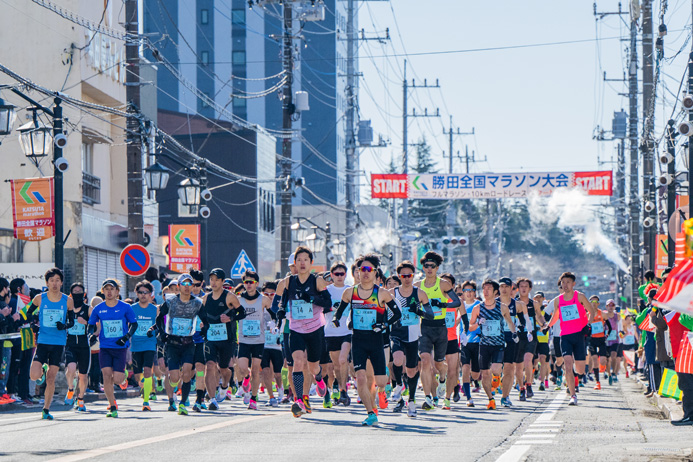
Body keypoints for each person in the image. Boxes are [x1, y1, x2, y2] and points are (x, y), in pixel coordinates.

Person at [333, 253, 402, 426]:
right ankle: (370, 413)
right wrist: (338, 320)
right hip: (358, 341)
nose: (365, 273)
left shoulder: (383, 294)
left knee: (379, 381)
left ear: (375, 272)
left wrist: (384, 325)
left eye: (369, 269)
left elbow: (397, 314)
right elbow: (340, 311)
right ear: (357, 272)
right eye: (361, 269)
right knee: (361, 378)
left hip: (376, 341)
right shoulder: (350, 292)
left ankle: (383, 388)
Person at [275, 246, 333, 418]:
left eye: (305, 260)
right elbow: (283, 300)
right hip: (296, 329)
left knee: (313, 366)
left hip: (315, 329)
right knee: (298, 361)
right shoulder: (289, 281)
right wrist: (280, 311)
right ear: (295, 263)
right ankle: (299, 399)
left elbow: (327, 303)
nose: (302, 263)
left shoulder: (317, 281)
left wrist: (313, 298)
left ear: (311, 263)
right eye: (299, 260)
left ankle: (319, 378)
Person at [24, 268, 75, 420]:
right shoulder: (39, 298)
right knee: (33, 376)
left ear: (61, 282)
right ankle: (42, 367)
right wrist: (33, 324)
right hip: (43, 341)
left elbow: (71, 321)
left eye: (57, 280)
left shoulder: (67, 300)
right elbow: (28, 314)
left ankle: (46, 409)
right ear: (47, 282)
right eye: (51, 280)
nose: (54, 283)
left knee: (51, 378)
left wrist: (64, 326)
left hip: (58, 343)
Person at [414, 251, 461, 411]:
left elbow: (457, 302)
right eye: (426, 266)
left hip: (441, 328)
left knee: (438, 363)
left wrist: (442, 305)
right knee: (425, 361)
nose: (429, 269)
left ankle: (443, 376)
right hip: (425, 327)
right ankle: (427, 397)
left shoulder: (443, 285)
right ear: (423, 267)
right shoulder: (417, 286)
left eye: (432, 266)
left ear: (437, 268)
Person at [88, 279, 138, 418]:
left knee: (117, 379)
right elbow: (91, 324)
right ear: (103, 291)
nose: (109, 292)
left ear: (117, 291)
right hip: (105, 347)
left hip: (120, 347)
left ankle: (123, 375)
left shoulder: (125, 307)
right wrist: (92, 334)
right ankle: (112, 405)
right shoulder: (98, 309)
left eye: (112, 289)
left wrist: (126, 336)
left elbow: (134, 325)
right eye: (106, 289)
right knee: (106, 375)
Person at [155, 273, 204, 415]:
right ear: (179, 287)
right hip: (173, 344)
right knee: (175, 378)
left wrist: (205, 328)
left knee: (187, 373)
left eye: (190, 284)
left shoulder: (197, 302)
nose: (187, 287)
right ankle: (173, 387)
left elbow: (206, 319)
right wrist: (162, 333)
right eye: (184, 284)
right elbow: (159, 319)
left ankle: (183, 403)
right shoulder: (171, 302)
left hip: (189, 343)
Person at [390, 260, 433, 417]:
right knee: (397, 359)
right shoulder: (392, 293)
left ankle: (412, 400)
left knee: (411, 370)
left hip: (413, 335)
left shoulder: (420, 293)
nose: (407, 278)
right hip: (397, 332)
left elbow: (431, 314)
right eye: (403, 275)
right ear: (399, 276)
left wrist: (419, 311)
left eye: (409, 275)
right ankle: (399, 385)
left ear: (413, 275)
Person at [546, 272, 597, 405]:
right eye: (563, 282)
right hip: (565, 336)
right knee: (567, 364)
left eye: (568, 282)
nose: (565, 285)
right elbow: (556, 316)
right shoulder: (558, 300)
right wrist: (548, 326)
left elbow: (592, 311)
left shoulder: (579, 296)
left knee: (580, 370)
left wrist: (588, 325)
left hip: (579, 335)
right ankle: (572, 395)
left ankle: (575, 376)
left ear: (573, 283)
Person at [469, 279, 519, 410]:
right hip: (484, 344)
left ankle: (497, 378)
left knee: (496, 369)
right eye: (484, 289)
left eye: (489, 289)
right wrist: (478, 323)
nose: (485, 291)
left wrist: (514, 333)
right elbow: (470, 327)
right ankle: (491, 400)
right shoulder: (477, 308)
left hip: (498, 344)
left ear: (495, 292)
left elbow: (509, 321)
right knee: (485, 374)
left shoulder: (502, 307)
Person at [200, 268, 242, 411]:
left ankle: (225, 384)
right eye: (211, 279)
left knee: (224, 368)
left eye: (217, 279)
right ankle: (212, 399)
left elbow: (242, 313)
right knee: (210, 365)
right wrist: (202, 324)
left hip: (226, 339)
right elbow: (202, 316)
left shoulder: (229, 297)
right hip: (210, 338)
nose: (214, 282)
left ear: (223, 282)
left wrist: (230, 318)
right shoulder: (206, 298)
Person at [236, 270, 272, 410]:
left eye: (251, 282)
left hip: (258, 340)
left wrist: (273, 324)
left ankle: (253, 398)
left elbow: (271, 315)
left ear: (256, 284)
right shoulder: (239, 300)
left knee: (256, 370)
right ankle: (246, 378)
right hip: (244, 340)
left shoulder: (263, 299)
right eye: (246, 282)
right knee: (243, 367)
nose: (249, 285)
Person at [323, 261, 352, 407]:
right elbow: (319, 307)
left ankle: (343, 390)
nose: (340, 276)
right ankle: (336, 386)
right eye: (336, 274)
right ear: (332, 275)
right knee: (334, 365)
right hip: (330, 331)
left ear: (345, 275)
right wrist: (329, 307)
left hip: (347, 331)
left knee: (343, 360)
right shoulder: (326, 290)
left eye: (342, 274)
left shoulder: (350, 290)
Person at [498, 277, 528, 407]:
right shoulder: (492, 303)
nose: (504, 289)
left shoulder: (516, 304)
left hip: (511, 338)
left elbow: (524, 321)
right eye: (501, 286)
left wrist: (524, 329)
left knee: (509, 369)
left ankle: (505, 396)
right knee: (496, 369)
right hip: (494, 339)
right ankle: (496, 380)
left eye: (507, 286)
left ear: (511, 288)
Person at [130, 280, 158, 411]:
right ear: (137, 293)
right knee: (137, 377)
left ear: (151, 295)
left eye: (146, 292)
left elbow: (160, 326)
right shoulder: (132, 309)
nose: (143, 295)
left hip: (149, 344)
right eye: (140, 292)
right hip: (136, 345)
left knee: (147, 370)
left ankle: (146, 401)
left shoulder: (155, 310)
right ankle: (144, 389)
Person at [64, 283, 92, 411]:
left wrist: (85, 323)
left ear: (84, 294)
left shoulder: (88, 309)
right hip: (70, 344)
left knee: (83, 375)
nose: (77, 294)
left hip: (84, 346)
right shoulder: (66, 309)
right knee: (71, 369)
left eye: (80, 291)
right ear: (71, 294)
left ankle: (80, 399)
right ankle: (70, 389)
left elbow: (95, 326)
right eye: (74, 291)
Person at [515, 277, 542, 401]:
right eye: (521, 286)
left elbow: (540, 318)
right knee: (519, 366)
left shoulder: (534, 304)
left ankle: (529, 385)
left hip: (531, 336)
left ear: (530, 288)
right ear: (518, 288)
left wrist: (545, 325)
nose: (524, 289)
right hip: (518, 337)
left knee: (528, 361)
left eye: (526, 286)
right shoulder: (513, 303)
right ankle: (521, 388)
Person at [459, 281, 482, 407]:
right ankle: (468, 397)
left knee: (476, 374)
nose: (468, 293)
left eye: (471, 290)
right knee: (465, 368)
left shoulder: (480, 305)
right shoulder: (459, 305)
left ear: (475, 292)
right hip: (464, 342)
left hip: (478, 342)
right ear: (463, 293)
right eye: (466, 290)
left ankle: (472, 381)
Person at [586, 296, 607, 391]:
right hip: (592, 340)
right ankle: (597, 382)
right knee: (594, 359)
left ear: (598, 303)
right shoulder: (587, 315)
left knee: (602, 361)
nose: (593, 303)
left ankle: (603, 370)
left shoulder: (602, 314)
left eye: (595, 301)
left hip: (601, 339)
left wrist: (607, 334)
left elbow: (609, 326)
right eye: (592, 301)